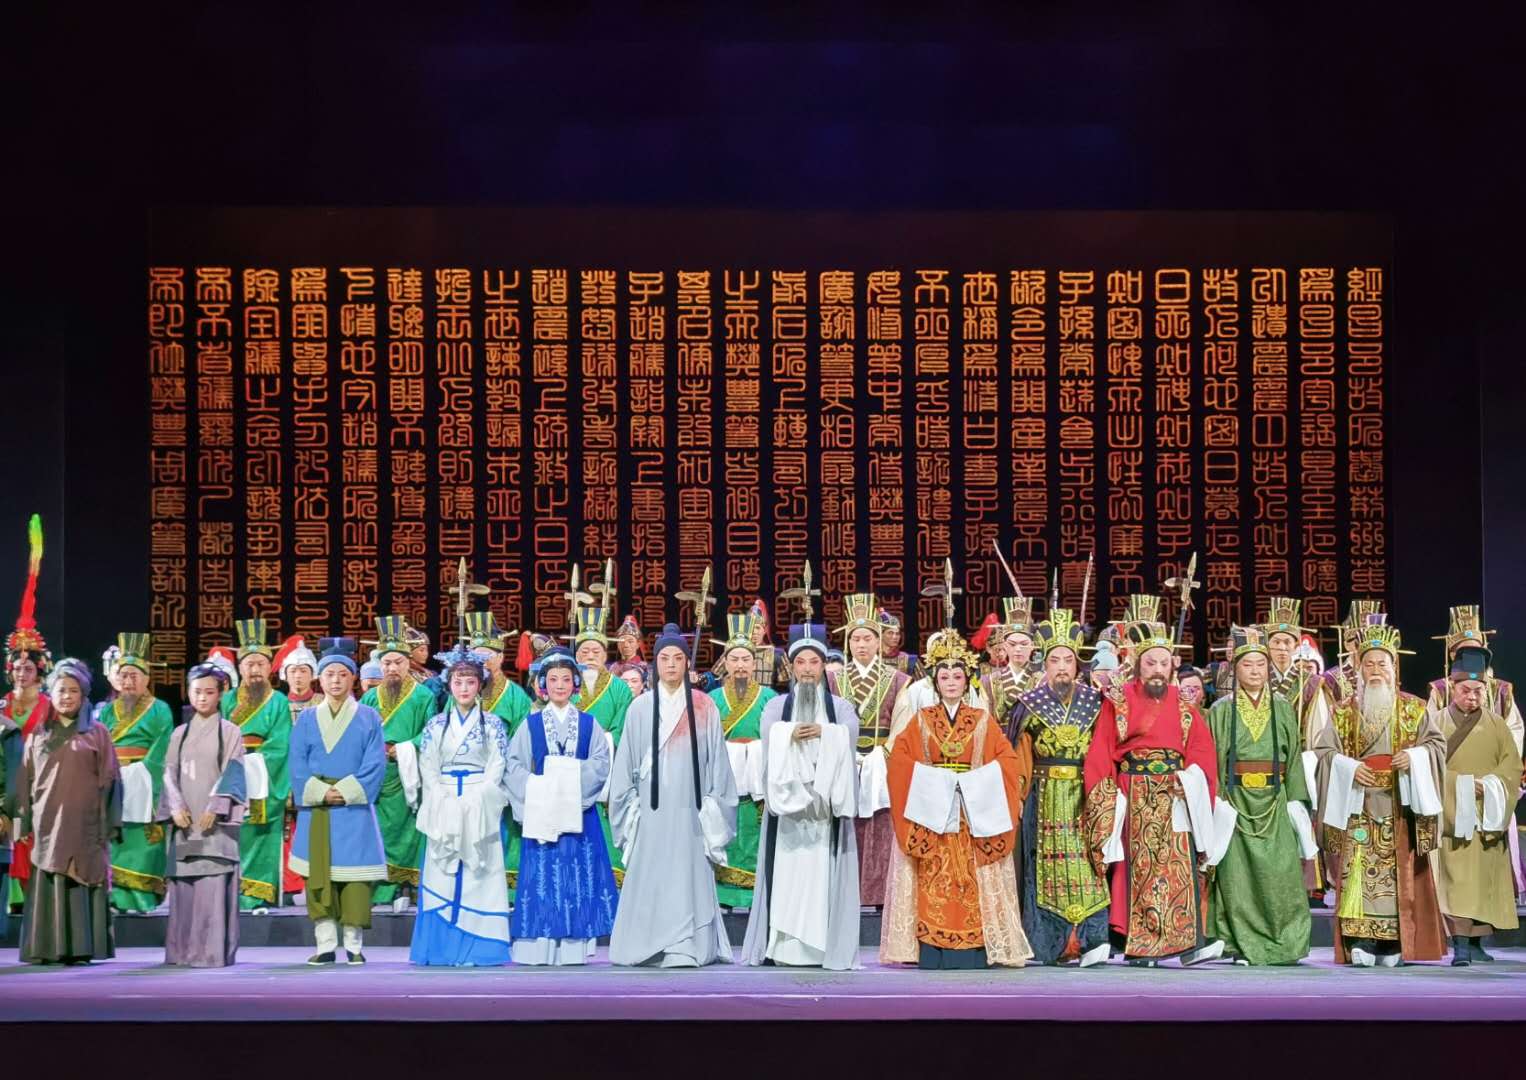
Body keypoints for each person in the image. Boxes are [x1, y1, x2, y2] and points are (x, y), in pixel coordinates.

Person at [885, 628, 1032, 969]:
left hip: (971, 812)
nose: (951, 682)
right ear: (935, 682)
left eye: (957, 676)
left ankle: (976, 949)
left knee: (971, 880)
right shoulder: (921, 720)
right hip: (933, 814)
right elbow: (900, 760)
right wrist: (934, 781)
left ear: (967, 681)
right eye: (944, 677)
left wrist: (973, 782)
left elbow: (1007, 761)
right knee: (934, 877)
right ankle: (932, 950)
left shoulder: (982, 720)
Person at [1083, 620, 1224, 967]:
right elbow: (1102, 751)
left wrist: (1190, 781)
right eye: (1150, 663)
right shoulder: (1119, 701)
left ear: (1172, 665)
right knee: (1140, 870)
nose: (1158, 670)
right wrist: (1106, 797)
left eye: (1163, 663)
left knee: (1178, 870)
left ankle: (1187, 945)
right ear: (1138, 664)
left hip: (1176, 793)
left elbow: (1202, 752)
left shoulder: (1184, 704)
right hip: (1134, 791)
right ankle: (1140, 946)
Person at [1311, 620, 1446, 966]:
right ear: (1358, 668)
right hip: (1359, 804)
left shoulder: (1415, 709)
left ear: (1393, 667)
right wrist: (1349, 767)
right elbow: (1323, 752)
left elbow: (1436, 746)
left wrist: (1414, 757)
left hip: (1398, 803)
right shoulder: (1343, 712)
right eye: (1368, 663)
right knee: (1357, 871)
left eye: (1382, 663)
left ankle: (1394, 944)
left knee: (1398, 874)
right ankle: (1361, 940)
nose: (1375, 670)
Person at [608, 623, 738, 967]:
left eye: (677, 658)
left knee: (687, 875)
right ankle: (649, 944)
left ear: (687, 663)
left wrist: (713, 807)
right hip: (651, 811)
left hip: (691, 810)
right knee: (652, 874)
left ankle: (687, 945)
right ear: (655, 663)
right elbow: (624, 766)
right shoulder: (640, 708)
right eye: (664, 658)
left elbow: (718, 765)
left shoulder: (704, 706)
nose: (670, 665)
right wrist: (629, 809)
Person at [740, 624, 860, 969]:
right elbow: (769, 741)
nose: (807, 669)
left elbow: (849, 739)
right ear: (791, 667)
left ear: (824, 666)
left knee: (821, 877)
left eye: (814, 662)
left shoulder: (841, 708)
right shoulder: (776, 707)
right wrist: (788, 735)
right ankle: (783, 948)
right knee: (786, 877)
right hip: (788, 811)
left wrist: (826, 732)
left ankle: (824, 948)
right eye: (801, 662)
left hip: (824, 810)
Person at [1005, 608, 1111, 967]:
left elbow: (1106, 750)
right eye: (1055, 660)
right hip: (1043, 796)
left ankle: (1092, 939)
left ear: (1078, 665)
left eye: (1068, 660)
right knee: (1043, 869)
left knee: (1088, 867)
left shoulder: (1096, 703)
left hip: (1085, 795)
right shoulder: (1028, 705)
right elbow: (1018, 757)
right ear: (1044, 665)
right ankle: (1048, 942)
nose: (1062, 667)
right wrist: (1018, 797)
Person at [1204, 626, 1314, 965]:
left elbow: (1294, 759)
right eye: (1247, 665)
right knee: (1238, 877)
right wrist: (1218, 801)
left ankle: (1286, 943)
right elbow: (1213, 760)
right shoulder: (1221, 710)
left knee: (1281, 873)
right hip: (1236, 801)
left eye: (1260, 665)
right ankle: (1239, 943)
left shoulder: (1282, 707)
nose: (1254, 671)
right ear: (1235, 669)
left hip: (1275, 800)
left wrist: (1296, 803)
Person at [506, 646, 618, 964]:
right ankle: (539, 945)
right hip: (543, 813)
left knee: (578, 877)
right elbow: (513, 765)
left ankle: (574, 945)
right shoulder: (530, 724)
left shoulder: (589, 724)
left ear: (575, 684)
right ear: (543, 684)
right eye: (553, 679)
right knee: (543, 877)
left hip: (579, 813)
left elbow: (600, 763)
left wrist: (568, 783)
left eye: (566, 679)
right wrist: (539, 787)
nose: (559, 685)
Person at [410, 642, 513, 967]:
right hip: (444, 801)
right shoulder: (435, 726)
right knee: (442, 872)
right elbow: (427, 766)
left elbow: (497, 766)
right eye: (458, 682)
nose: (464, 688)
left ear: (480, 684)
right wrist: (442, 798)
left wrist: (476, 798)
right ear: (449, 685)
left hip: (479, 803)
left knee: (479, 873)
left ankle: (480, 947)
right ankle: (441, 948)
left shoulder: (493, 725)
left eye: (470, 682)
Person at [288, 639, 388, 965]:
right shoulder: (306, 719)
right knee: (320, 880)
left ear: (352, 678)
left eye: (342, 675)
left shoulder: (369, 717)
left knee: (355, 882)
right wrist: (320, 792)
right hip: (319, 810)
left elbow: (375, 763)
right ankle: (326, 944)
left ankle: (354, 945)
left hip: (353, 809)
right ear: (320, 678)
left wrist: (345, 791)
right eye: (329, 674)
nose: (335, 681)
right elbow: (297, 763)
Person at [17, 658, 120, 964]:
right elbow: (25, 780)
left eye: (73, 691)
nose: (66, 697)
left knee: (82, 876)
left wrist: (110, 823)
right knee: (49, 875)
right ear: (51, 694)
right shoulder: (38, 734)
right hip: (47, 824)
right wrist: (22, 822)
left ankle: (82, 948)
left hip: (86, 824)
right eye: (61, 690)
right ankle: (47, 949)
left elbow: (111, 780)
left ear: (83, 695)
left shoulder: (97, 733)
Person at [1434, 646, 1521, 965]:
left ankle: (1476, 942)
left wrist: (1493, 785)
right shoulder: (1436, 722)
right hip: (1453, 815)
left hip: (1487, 813)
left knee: (1484, 880)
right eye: (1465, 690)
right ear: (1452, 687)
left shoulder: (1497, 725)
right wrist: (1464, 786)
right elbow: (1428, 767)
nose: (1472, 697)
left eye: (1478, 691)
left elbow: (1511, 767)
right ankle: (1460, 944)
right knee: (1457, 880)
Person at [825, 593, 910, 911]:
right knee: (845, 825)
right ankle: (843, 894)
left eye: (867, 638)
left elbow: (903, 723)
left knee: (881, 826)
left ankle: (879, 896)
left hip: (881, 762)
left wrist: (882, 755)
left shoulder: (899, 680)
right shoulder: (832, 679)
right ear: (848, 642)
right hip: (844, 760)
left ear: (878, 642)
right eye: (855, 639)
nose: (861, 645)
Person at [158, 663, 246, 967]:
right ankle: (181, 952)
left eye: (209, 692)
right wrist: (175, 806)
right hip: (185, 820)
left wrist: (216, 807)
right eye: (197, 692)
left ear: (220, 694)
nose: (203, 698)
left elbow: (233, 771)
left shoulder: (229, 732)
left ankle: (210, 953)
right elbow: (168, 772)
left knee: (212, 886)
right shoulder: (179, 734)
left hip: (213, 824)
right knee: (184, 890)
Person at [359, 615, 432, 910]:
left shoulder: (423, 696)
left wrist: (404, 748)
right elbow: (359, 736)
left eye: (398, 662)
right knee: (378, 831)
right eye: (386, 662)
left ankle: (407, 885)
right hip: (378, 774)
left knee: (409, 830)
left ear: (408, 663)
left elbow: (430, 732)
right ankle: (381, 888)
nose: (392, 668)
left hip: (407, 772)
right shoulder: (369, 698)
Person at [707, 612, 778, 909]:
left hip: (756, 779)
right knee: (723, 831)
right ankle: (722, 896)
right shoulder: (712, 698)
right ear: (725, 662)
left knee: (753, 833)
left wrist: (755, 752)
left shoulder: (769, 697)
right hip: (724, 777)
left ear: (754, 662)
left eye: (745, 659)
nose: (740, 665)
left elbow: (776, 739)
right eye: (734, 659)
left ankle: (754, 896)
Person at [463, 610, 533, 904]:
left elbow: (524, 741)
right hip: (468, 779)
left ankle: (508, 891)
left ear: (501, 657)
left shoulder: (517, 697)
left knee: (506, 835)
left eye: (488, 656)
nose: (483, 663)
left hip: (504, 779)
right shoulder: (463, 693)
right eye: (476, 657)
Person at [2, 517, 53, 922]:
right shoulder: (0, 707)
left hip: (42, 786)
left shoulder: (51, 707)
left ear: (39, 671)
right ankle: (12, 897)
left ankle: (38, 896)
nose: (22, 672)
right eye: (17, 667)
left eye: (29, 667)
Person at [219, 618, 289, 911]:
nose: (255, 669)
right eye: (249, 664)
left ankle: (257, 895)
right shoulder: (226, 700)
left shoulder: (278, 701)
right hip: (230, 774)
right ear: (240, 668)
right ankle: (230, 893)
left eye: (261, 663)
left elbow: (281, 744)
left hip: (263, 778)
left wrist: (252, 763)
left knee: (261, 836)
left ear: (270, 667)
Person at [101, 632, 174, 913]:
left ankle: (143, 900)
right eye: (124, 675)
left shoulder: (160, 709)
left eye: (134, 675)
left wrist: (139, 773)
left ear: (146, 679)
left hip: (145, 779)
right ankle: (116, 898)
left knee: (144, 842)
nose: (128, 681)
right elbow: (101, 745)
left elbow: (162, 747)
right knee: (116, 840)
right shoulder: (108, 712)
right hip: (114, 779)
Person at [567, 606, 633, 886]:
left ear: (606, 655)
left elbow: (623, 728)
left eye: (596, 652)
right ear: (576, 656)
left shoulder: (620, 688)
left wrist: (600, 744)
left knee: (605, 822)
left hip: (608, 766)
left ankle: (609, 876)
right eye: (584, 652)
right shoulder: (567, 685)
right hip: (570, 764)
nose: (590, 657)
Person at [981, 598, 1041, 724]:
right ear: (1005, 645)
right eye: (1012, 644)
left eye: (1024, 644)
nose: (1018, 649)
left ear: (1033, 646)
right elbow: (983, 719)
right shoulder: (988, 681)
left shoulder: (1042, 680)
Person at [1261, 597, 1312, 703]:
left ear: (1296, 645)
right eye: (1276, 642)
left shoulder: (1310, 681)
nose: (1282, 648)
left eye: (1287, 642)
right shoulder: (1257, 678)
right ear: (1267, 644)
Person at [878, 608, 920, 679]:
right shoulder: (870, 659)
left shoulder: (909, 661)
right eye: (890, 633)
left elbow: (924, 685)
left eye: (897, 634)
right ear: (881, 635)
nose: (895, 637)